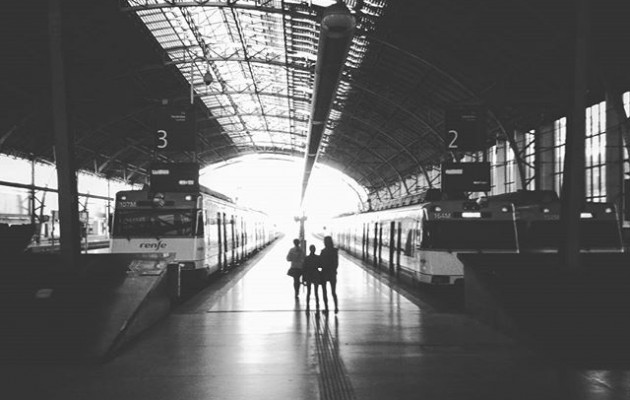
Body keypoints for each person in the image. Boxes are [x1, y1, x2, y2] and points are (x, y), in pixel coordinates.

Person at [319, 236, 339, 313]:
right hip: (333, 273)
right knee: (333, 292)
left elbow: (320, 263)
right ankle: (336, 307)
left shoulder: (323, 251)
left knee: (324, 291)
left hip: (324, 273)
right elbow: (336, 263)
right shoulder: (335, 251)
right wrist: (333, 269)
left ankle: (326, 309)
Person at [302, 245, 321, 311]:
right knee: (316, 291)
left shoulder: (306, 258)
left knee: (308, 291)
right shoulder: (317, 257)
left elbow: (304, 268)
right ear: (314, 250)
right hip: (315, 275)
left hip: (308, 275)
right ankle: (317, 304)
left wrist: (303, 278)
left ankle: (307, 304)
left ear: (310, 249)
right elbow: (320, 265)